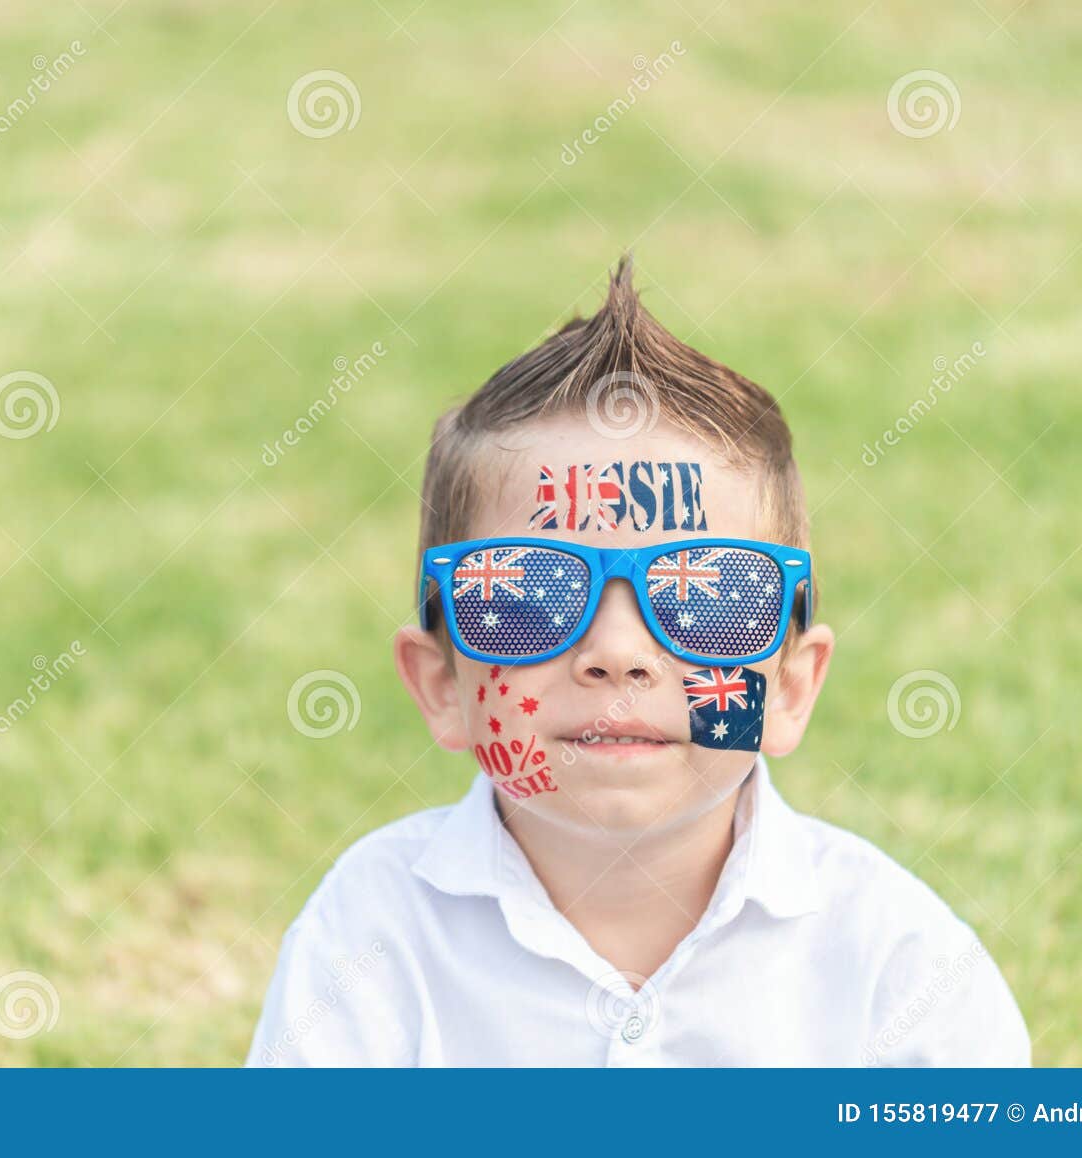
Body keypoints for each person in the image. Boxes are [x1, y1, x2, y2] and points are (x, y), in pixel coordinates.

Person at [247, 258, 1030, 1066]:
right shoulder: (370, 936)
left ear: (791, 687)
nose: (618, 655)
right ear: (443, 684)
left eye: (711, 598)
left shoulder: (901, 967)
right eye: (527, 596)